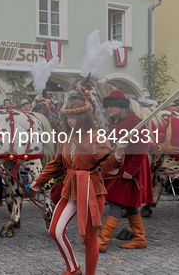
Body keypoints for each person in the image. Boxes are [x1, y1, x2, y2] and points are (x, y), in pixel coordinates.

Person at [30, 100, 127, 275]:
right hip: (70, 189)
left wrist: (119, 154)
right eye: (67, 116)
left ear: (83, 117)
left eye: (73, 116)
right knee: (55, 231)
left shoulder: (96, 137)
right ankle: (74, 268)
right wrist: (40, 179)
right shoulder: (65, 136)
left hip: (92, 190)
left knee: (90, 239)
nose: (69, 120)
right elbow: (58, 163)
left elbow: (108, 165)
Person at [98, 90, 153, 252]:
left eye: (112, 106)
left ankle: (102, 241)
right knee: (129, 205)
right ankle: (140, 238)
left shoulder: (134, 121)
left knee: (115, 201)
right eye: (107, 106)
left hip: (129, 170)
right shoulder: (114, 122)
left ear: (121, 107)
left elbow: (143, 147)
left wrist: (131, 169)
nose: (108, 109)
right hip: (117, 167)